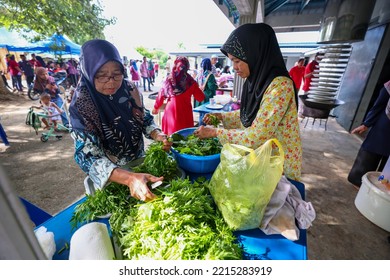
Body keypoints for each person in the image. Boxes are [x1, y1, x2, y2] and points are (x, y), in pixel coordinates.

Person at [194, 23, 302, 181]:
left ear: (255, 54)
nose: (234, 67)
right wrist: (222, 117)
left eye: (237, 61)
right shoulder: (254, 81)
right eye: (231, 61)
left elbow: (256, 136)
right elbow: (251, 114)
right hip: (261, 159)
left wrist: (215, 132)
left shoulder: (280, 86)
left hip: (277, 163)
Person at [69, 39, 172, 202]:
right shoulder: (82, 104)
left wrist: (156, 133)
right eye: (102, 75)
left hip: (139, 164)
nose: (111, 81)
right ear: (88, 72)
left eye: (116, 74)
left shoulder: (129, 89)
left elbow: (144, 119)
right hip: (112, 177)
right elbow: (86, 156)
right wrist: (129, 178)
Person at [347, 80, 390, 189]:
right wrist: (366, 124)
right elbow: (378, 106)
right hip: (383, 128)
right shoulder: (389, 86)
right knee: (369, 156)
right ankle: (360, 183)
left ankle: (381, 187)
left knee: (387, 167)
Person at [152, 56, 205, 135]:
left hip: (171, 112)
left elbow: (161, 95)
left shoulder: (169, 79)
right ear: (187, 67)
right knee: (184, 138)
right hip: (185, 114)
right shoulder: (191, 82)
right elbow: (201, 98)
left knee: (169, 139)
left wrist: (156, 108)